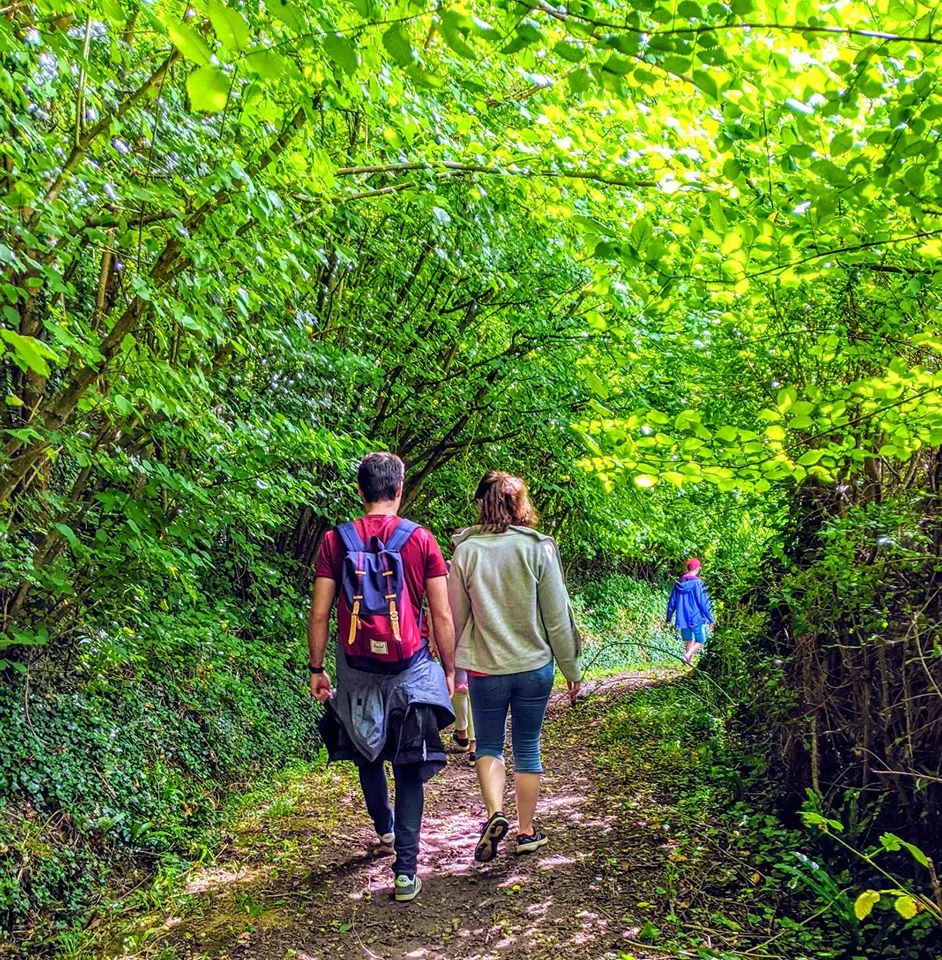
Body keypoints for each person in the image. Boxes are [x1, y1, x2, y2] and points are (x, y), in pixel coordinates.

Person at [308, 452, 456, 904]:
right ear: (398, 490)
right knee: (409, 765)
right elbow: (442, 613)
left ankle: (385, 830)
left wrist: (317, 669)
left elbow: (319, 614)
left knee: (368, 753)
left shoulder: (336, 541)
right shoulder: (421, 540)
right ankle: (406, 871)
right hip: (409, 668)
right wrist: (449, 669)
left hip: (356, 670)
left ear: (360, 491)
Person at [448, 471, 582, 863]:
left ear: (481, 504)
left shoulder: (466, 553)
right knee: (528, 746)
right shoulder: (538, 548)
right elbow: (557, 617)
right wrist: (571, 669)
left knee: (488, 745)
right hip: (533, 666)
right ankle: (526, 832)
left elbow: (455, 620)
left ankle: (495, 814)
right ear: (519, 504)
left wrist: (453, 669)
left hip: (485, 669)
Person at [665, 557, 715, 665]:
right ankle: (687, 656)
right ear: (697, 569)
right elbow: (703, 602)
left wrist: (668, 618)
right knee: (701, 640)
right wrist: (711, 618)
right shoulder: (698, 584)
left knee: (689, 640)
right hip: (696, 617)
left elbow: (672, 602)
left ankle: (688, 662)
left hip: (682, 618)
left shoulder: (678, 584)